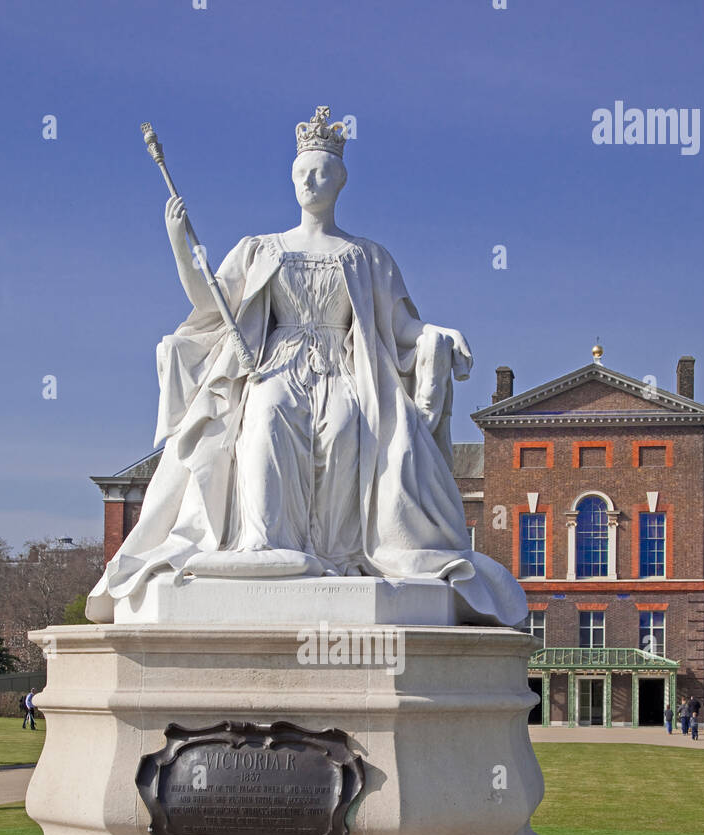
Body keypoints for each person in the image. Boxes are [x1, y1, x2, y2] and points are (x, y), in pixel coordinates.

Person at [86, 107, 527, 629]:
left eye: (319, 173)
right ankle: (263, 544)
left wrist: (437, 334)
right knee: (266, 421)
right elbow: (211, 304)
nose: (309, 182)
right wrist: (181, 245)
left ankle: (337, 558)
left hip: (344, 368)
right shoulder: (261, 249)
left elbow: (400, 326)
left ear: (339, 181)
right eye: (301, 174)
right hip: (275, 365)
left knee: (346, 429)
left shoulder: (366, 255)